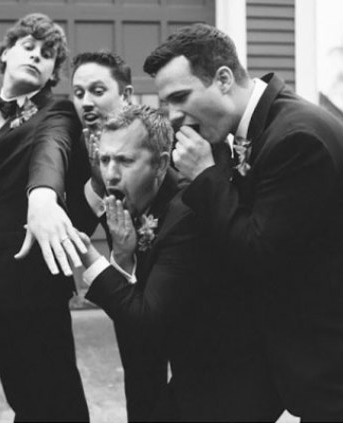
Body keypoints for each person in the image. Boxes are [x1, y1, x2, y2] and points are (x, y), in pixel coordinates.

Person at [144, 23, 343, 420]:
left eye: (180, 97)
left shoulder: (296, 137)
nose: (174, 116)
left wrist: (206, 175)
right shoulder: (265, 125)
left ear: (223, 79)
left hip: (327, 358)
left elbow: (258, 251)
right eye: (166, 103)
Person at [78, 104, 282, 421]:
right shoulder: (140, 203)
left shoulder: (185, 213)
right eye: (105, 160)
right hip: (193, 370)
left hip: (233, 382)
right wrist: (123, 256)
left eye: (125, 161)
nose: (111, 174)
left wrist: (89, 257)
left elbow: (147, 323)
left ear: (161, 164)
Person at [0, 13, 90, 421]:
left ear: (53, 72)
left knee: (59, 401)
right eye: (28, 47)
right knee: (23, 400)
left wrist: (43, 196)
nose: (37, 56)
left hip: (33, 286)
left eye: (47, 54)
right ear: (5, 53)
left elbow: (51, 149)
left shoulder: (55, 112)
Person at [70, 50, 133, 231]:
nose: (86, 103)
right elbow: (79, 227)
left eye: (98, 91)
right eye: (79, 93)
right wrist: (97, 183)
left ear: (126, 95)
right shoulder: (79, 148)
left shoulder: (157, 138)